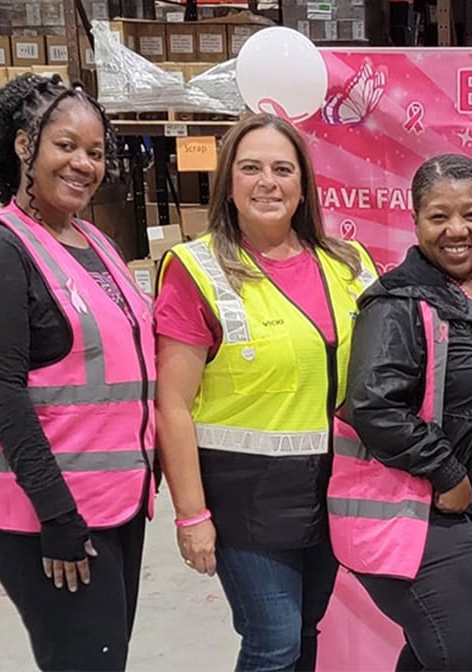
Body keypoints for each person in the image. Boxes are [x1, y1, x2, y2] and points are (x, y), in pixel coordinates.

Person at [0, 73, 155, 670]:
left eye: (94, 152)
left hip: (114, 502)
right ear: (23, 145)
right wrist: (57, 517)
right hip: (48, 513)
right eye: (65, 145)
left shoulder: (92, 241)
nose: (83, 164)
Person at [153, 113, 377, 672]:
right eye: (250, 168)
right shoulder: (195, 268)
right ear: (228, 182)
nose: (267, 182)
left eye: (282, 169)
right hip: (243, 501)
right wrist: (190, 515)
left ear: (304, 186)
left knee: (305, 631)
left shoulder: (350, 264)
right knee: (274, 641)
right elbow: (173, 404)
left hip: (330, 492)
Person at [330, 153, 472, 671]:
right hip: (421, 515)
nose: (457, 230)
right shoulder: (397, 303)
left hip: (466, 516)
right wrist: (448, 473)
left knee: (431, 654)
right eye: (439, 216)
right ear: (415, 222)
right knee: (467, 660)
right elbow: (372, 404)